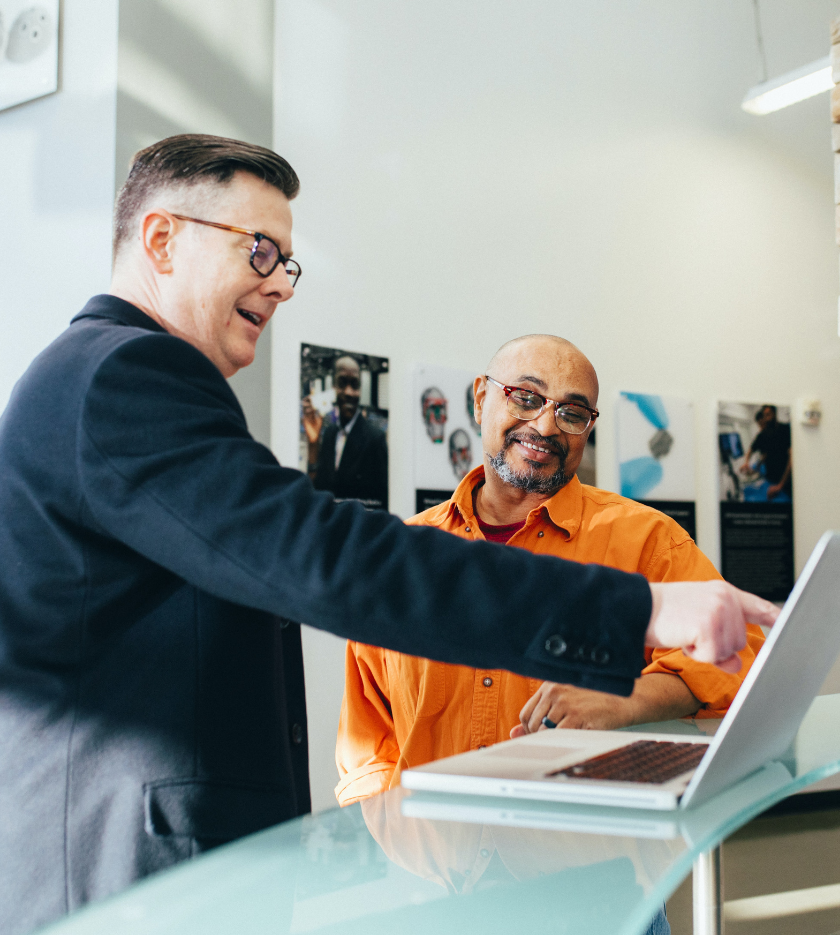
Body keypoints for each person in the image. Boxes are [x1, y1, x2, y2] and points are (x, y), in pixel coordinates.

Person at [0, 135, 776, 935]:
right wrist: (632, 612)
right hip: (130, 879)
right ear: (161, 238)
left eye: (287, 264)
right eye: (260, 251)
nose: (280, 284)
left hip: (582, 883)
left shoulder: (107, 378)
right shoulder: (126, 377)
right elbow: (324, 560)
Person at [335, 336, 766, 806]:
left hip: (586, 858)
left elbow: (742, 655)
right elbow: (367, 742)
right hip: (433, 862)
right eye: (526, 397)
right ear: (481, 399)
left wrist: (625, 699)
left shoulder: (648, 541)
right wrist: (394, 845)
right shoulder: (405, 555)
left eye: (572, 413)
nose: (545, 425)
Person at [302, 354, 389, 510]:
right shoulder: (329, 433)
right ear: (333, 387)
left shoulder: (375, 439)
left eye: (354, 385)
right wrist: (313, 445)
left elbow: (382, 504)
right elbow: (318, 491)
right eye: (342, 383)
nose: (349, 392)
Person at [740, 404, 792, 501]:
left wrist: (780, 485)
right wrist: (746, 462)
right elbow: (752, 450)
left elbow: (791, 458)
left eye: (769, 415)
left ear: (774, 414)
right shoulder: (763, 435)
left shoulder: (785, 429)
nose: (766, 419)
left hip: (785, 482)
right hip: (770, 480)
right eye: (765, 416)